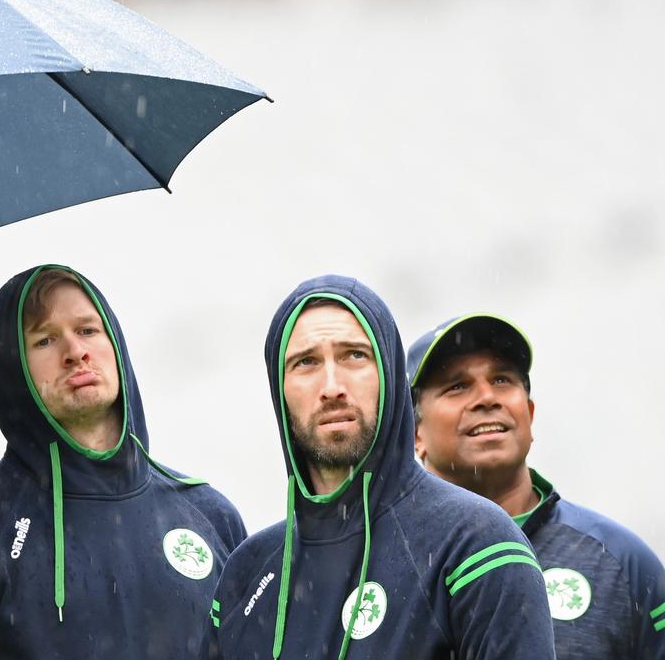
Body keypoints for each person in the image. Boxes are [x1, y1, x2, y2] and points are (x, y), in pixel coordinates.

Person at [0, 265, 247, 659]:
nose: (75, 352)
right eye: (45, 340)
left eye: (88, 330)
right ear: (12, 368)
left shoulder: (212, 515)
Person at [210, 275, 554, 659]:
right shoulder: (247, 574)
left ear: (389, 374)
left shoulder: (475, 542)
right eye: (305, 362)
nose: (332, 386)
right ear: (280, 390)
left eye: (354, 355)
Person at [408, 312, 665, 659]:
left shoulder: (622, 562)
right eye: (457, 385)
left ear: (529, 413)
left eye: (501, 380)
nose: (486, 397)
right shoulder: (378, 565)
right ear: (415, 434)